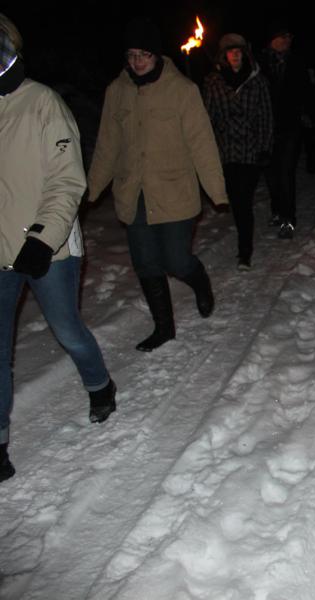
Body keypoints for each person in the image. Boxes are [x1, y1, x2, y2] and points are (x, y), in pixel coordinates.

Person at [1, 27, 117, 483]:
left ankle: (99, 384)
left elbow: (68, 180)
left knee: (67, 329)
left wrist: (41, 239)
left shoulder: (43, 103)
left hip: (47, 248)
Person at [87, 18, 228, 352]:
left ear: (157, 55)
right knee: (146, 263)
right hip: (133, 193)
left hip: (174, 191)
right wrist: (90, 191)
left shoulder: (182, 90)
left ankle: (199, 280)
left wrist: (217, 192)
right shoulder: (117, 91)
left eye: (144, 55)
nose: (137, 62)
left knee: (176, 261)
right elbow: (107, 145)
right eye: (131, 55)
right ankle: (164, 327)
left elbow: (202, 144)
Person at [203, 32, 274, 271]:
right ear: (223, 55)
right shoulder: (213, 82)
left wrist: (264, 147)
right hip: (226, 152)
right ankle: (244, 246)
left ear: (245, 54)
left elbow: (265, 116)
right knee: (236, 200)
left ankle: (245, 252)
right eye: (230, 51)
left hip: (250, 151)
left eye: (238, 50)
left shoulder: (257, 81)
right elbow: (207, 118)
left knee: (244, 200)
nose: (235, 54)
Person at [257, 20, 315, 240]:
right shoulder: (258, 64)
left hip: (289, 126)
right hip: (265, 127)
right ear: (272, 39)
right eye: (282, 36)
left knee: (285, 172)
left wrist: (314, 115)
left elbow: (306, 90)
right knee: (271, 173)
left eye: (289, 36)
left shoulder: (296, 62)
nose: (287, 40)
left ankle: (288, 219)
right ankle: (277, 210)